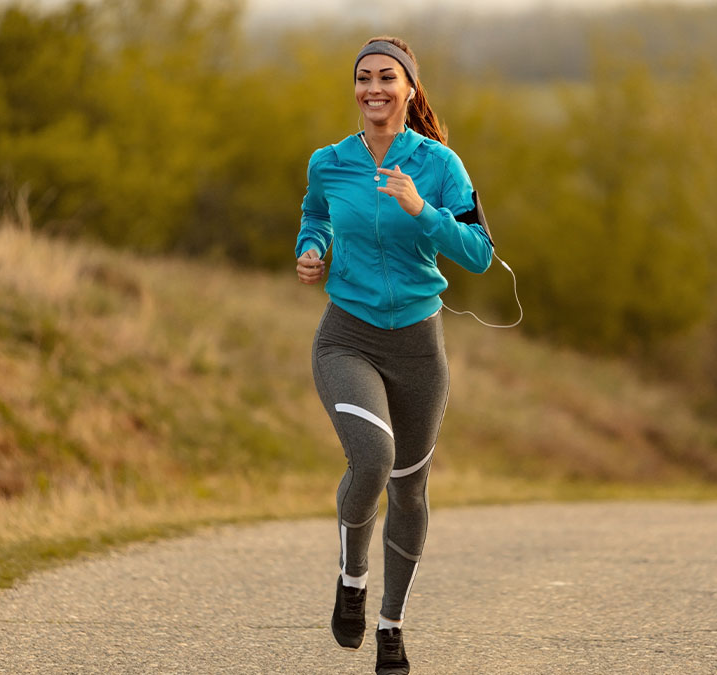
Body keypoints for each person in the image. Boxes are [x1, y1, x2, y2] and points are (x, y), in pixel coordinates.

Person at [294, 36, 493, 675]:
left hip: (418, 347)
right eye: (363, 78)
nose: (373, 89)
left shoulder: (441, 165)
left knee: (410, 491)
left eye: (386, 78)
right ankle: (352, 578)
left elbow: (480, 252)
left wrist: (423, 210)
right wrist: (313, 248)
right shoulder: (329, 162)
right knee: (372, 458)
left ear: (410, 90)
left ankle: (391, 627)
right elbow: (316, 216)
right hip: (346, 335)